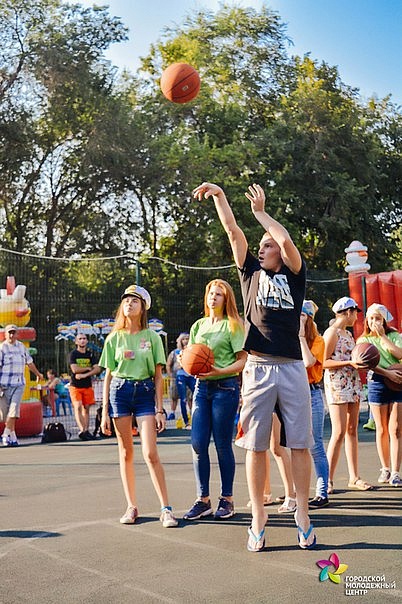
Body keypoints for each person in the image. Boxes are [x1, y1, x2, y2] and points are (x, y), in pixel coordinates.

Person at [192, 182, 316, 551]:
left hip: (292, 367)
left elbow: (287, 239)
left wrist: (262, 214)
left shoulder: (295, 275)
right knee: (256, 446)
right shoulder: (249, 273)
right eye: (260, 245)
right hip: (258, 368)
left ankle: (303, 514)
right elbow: (233, 231)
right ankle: (259, 516)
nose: (262, 248)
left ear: (279, 252)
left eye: (267, 245)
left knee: (299, 445)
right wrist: (219, 196)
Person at [99, 284, 178, 528]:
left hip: (144, 393)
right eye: (126, 300)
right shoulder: (114, 338)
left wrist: (159, 408)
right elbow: (109, 376)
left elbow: (158, 376)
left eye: (134, 300)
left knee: (150, 453)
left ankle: (166, 509)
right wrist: (104, 410)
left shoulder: (152, 337)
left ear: (143, 307)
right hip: (119, 393)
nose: (129, 304)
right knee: (125, 452)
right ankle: (132, 506)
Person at [183, 279, 246, 521]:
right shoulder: (198, 326)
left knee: (221, 445)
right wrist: (185, 362)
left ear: (226, 299)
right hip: (201, 388)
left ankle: (227, 499)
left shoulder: (233, 326)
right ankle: (203, 500)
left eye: (219, 294)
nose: (213, 298)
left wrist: (218, 371)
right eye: (211, 293)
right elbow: (191, 355)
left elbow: (243, 360)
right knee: (198, 444)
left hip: (225, 387)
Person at [323, 296, 373, 493]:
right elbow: (324, 362)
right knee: (338, 432)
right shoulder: (332, 333)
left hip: (352, 382)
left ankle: (354, 477)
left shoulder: (348, 334)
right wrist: (349, 363)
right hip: (337, 383)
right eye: (355, 313)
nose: (356, 317)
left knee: (352, 430)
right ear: (348, 312)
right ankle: (326, 480)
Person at [357, 303, 402, 487]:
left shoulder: (394, 336)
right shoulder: (363, 341)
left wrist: (383, 336)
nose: (374, 321)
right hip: (377, 381)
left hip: (398, 380)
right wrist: (387, 373)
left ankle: (396, 472)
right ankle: (385, 468)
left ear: (384, 320)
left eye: (378, 318)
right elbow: (365, 364)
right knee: (381, 428)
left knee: (396, 428)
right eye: (371, 318)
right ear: (367, 320)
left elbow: (399, 354)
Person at [299, 300, 330, 508]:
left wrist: (301, 336)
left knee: (315, 445)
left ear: (308, 319)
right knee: (295, 445)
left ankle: (322, 492)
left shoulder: (317, 341)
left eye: (301, 316)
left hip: (312, 393)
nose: (297, 320)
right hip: (292, 395)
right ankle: (296, 493)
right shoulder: (288, 338)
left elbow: (308, 363)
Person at [0, 324, 44, 446]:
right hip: (4, 385)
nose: (11, 335)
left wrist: (38, 373)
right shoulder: (2, 348)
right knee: (5, 415)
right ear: (5, 334)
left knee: (13, 411)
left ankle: (5, 433)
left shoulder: (21, 347)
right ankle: (12, 436)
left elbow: (29, 362)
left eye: (14, 332)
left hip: (18, 384)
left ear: (17, 334)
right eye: (9, 332)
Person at [69, 333, 100, 440]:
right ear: (76, 341)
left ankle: (86, 431)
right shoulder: (73, 354)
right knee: (77, 406)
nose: (82, 340)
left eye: (84, 339)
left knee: (86, 409)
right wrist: (88, 368)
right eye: (80, 339)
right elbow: (74, 369)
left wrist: (85, 375)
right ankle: (82, 429)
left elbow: (97, 369)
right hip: (75, 385)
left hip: (87, 385)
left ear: (87, 341)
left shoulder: (90, 355)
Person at [166, 333, 195, 427]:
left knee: (195, 397)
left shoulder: (192, 351)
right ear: (180, 340)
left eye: (187, 339)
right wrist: (171, 376)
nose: (185, 341)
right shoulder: (175, 352)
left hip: (191, 376)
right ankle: (186, 422)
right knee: (182, 399)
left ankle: (194, 417)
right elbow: (168, 364)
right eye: (184, 339)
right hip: (180, 376)